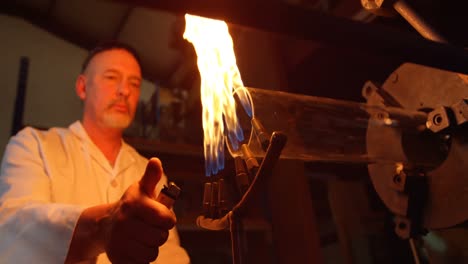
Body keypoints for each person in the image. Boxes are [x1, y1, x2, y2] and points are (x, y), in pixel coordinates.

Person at [0, 41, 190, 263]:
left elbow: (169, 253)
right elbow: (15, 229)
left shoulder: (148, 169)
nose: (124, 90)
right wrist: (101, 228)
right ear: (82, 87)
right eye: (111, 77)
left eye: (135, 83)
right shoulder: (34, 145)